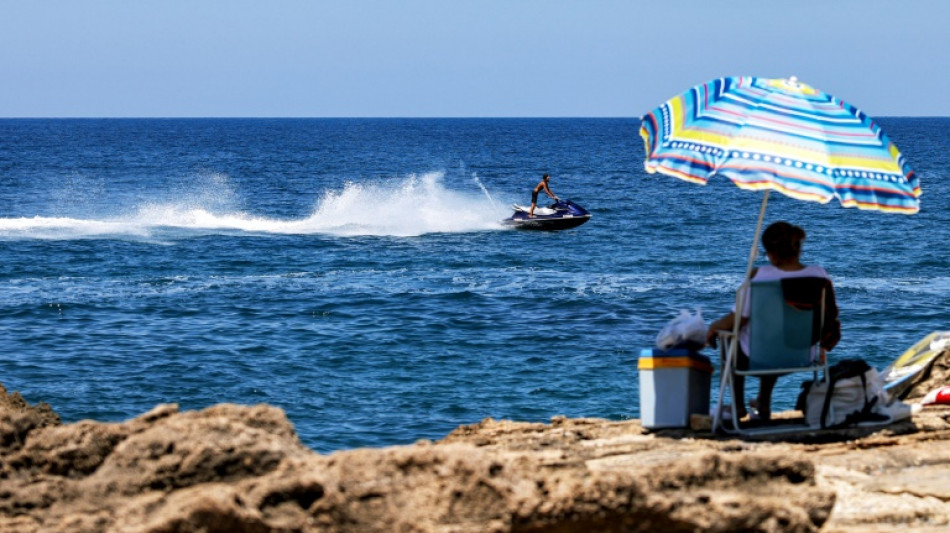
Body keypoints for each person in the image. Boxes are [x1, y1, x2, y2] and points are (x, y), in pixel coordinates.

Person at [705, 221, 841, 421]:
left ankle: (738, 406)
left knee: (732, 340)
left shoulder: (760, 276)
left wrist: (713, 327)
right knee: (779, 334)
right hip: (803, 355)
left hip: (758, 357)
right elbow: (830, 314)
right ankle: (764, 401)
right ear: (798, 248)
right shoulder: (819, 275)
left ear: (771, 254)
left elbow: (737, 320)